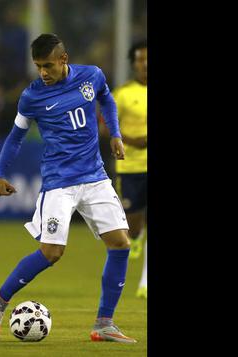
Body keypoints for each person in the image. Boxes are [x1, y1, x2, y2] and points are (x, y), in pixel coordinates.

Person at [0, 34, 136, 343]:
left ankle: (104, 323)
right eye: (38, 67)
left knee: (121, 243)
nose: (43, 73)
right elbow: (15, 136)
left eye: (47, 65)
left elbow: (105, 96)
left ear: (63, 60)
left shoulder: (91, 75)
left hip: (94, 176)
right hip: (59, 182)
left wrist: (115, 132)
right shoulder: (32, 97)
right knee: (52, 252)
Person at [112, 40, 147, 298]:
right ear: (133, 63)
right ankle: (136, 237)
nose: (144, 64)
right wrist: (131, 140)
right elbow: (107, 126)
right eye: (140, 60)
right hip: (130, 165)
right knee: (132, 222)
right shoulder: (122, 94)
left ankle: (145, 283)